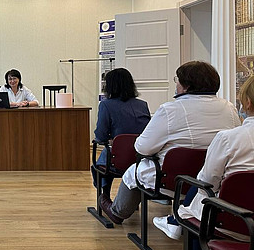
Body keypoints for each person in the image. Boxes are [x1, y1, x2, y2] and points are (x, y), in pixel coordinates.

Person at [99, 61, 241, 226]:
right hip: (211, 180)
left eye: (177, 80)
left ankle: (118, 211)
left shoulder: (170, 110)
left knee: (134, 172)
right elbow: (234, 142)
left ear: (186, 85)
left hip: (173, 179)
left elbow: (142, 148)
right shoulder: (229, 108)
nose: (176, 84)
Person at [153, 74, 254, 250]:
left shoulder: (229, 138)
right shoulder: (227, 112)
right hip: (243, 222)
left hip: (234, 223)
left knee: (201, 189)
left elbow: (207, 181)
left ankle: (188, 244)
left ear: (247, 102)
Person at [92, 68, 151, 197]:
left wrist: (111, 140)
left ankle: (104, 196)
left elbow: (100, 136)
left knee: (104, 159)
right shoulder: (142, 105)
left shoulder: (106, 105)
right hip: (142, 158)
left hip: (119, 159)